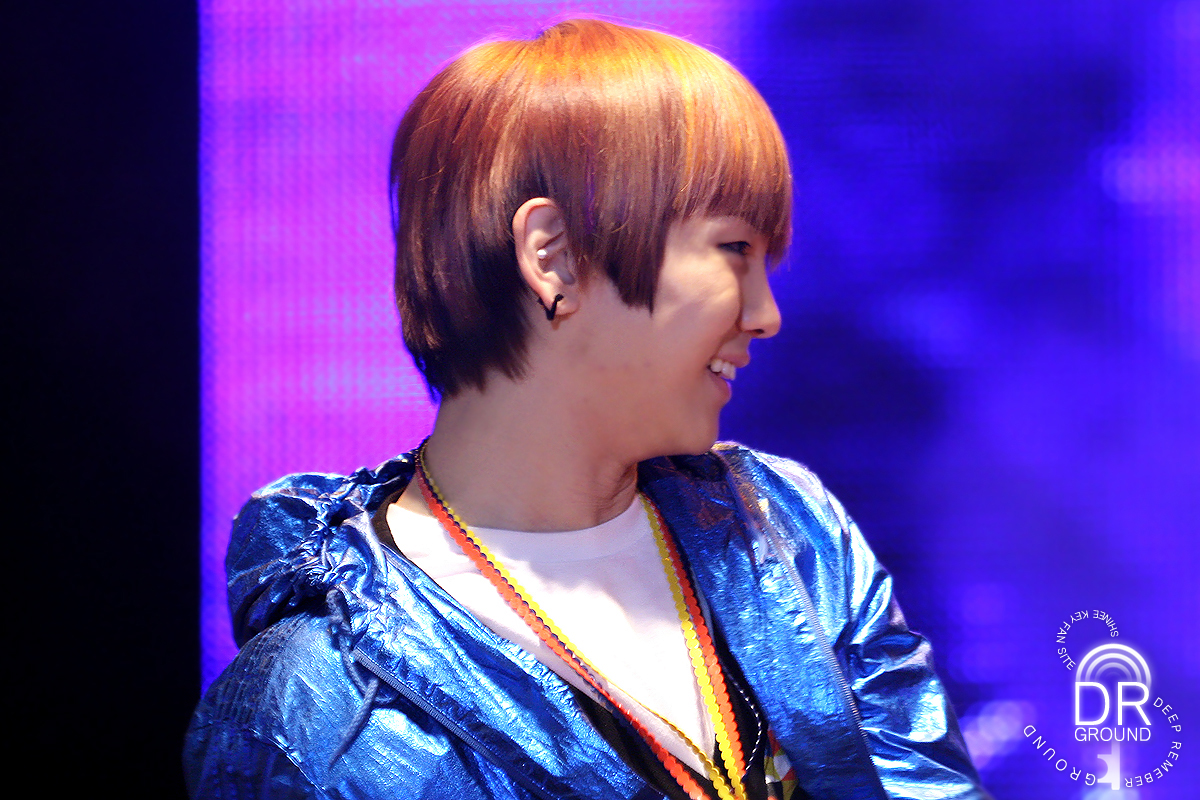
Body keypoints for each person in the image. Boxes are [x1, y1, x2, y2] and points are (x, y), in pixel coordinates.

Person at [185, 19, 988, 800]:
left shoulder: (789, 532)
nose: (764, 314)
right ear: (555, 257)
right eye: (734, 250)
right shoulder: (314, 712)